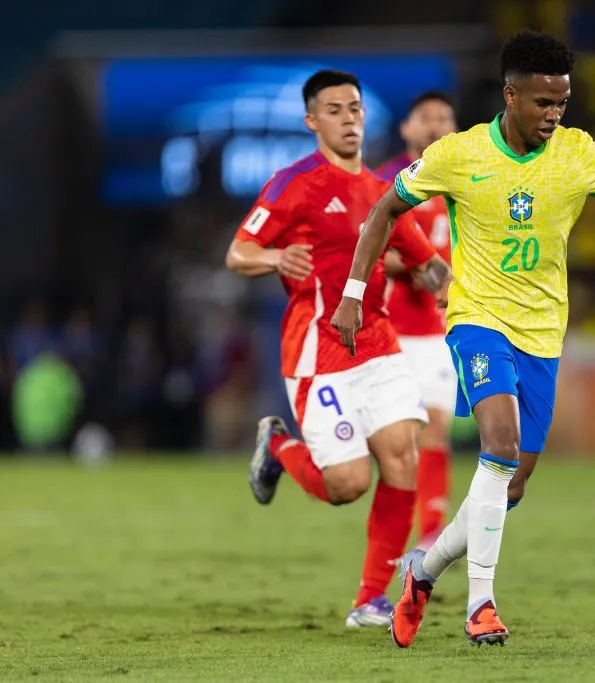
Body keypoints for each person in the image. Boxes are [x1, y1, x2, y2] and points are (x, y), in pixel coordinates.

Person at [331, 29, 595, 647]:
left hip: (543, 332)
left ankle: (422, 573)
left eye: (562, 102)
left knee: (509, 484)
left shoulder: (578, 152)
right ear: (510, 95)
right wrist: (352, 294)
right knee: (499, 443)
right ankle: (480, 606)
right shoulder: (459, 154)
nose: (554, 114)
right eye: (543, 103)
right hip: (478, 319)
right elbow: (383, 211)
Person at [225, 69, 450, 629]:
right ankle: (279, 446)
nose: (348, 119)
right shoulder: (293, 183)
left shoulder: (381, 192)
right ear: (312, 121)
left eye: (354, 109)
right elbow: (239, 252)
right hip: (317, 350)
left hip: (379, 343)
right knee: (348, 485)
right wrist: (275, 258)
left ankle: (371, 598)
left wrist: (450, 286)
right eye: (334, 110)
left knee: (402, 456)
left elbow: (425, 264)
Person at [376, 91, 459, 551]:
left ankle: (430, 534)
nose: (434, 125)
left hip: (439, 330)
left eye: (443, 117)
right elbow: (365, 248)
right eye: (424, 117)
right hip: (388, 329)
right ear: (406, 128)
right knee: (395, 439)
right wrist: (419, 265)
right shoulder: (385, 181)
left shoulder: (464, 180)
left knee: (436, 427)